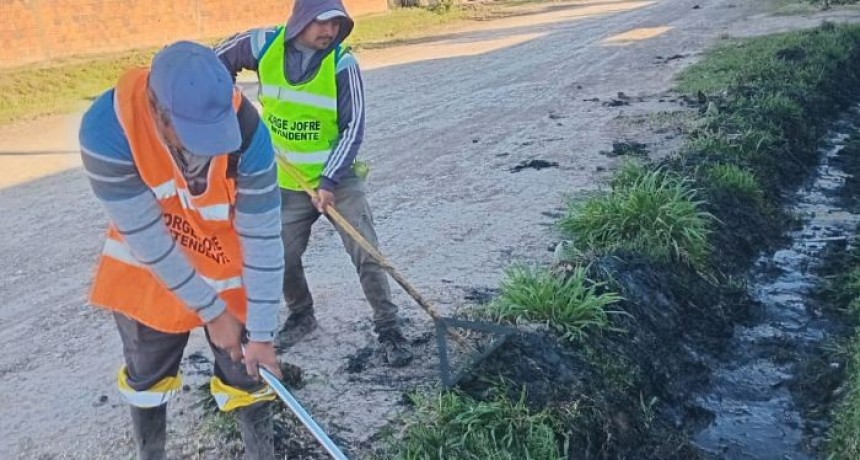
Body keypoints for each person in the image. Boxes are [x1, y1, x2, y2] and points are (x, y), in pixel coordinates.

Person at [79, 41, 285, 460]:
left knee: (248, 376)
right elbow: (147, 238)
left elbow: (263, 237)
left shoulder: (248, 133)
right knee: (147, 377)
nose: (209, 148)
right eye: (195, 136)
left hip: (226, 264)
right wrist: (211, 312)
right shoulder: (108, 129)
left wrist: (262, 334)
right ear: (159, 112)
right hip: (153, 268)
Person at [216, 0, 412, 367]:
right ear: (301, 20)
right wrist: (225, 105)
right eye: (321, 22)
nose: (329, 31)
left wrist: (328, 180)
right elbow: (216, 62)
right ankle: (302, 314)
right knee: (281, 256)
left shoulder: (342, 64)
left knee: (367, 254)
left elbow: (353, 127)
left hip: (338, 180)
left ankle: (389, 328)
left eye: (336, 24)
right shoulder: (263, 45)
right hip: (287, 180)